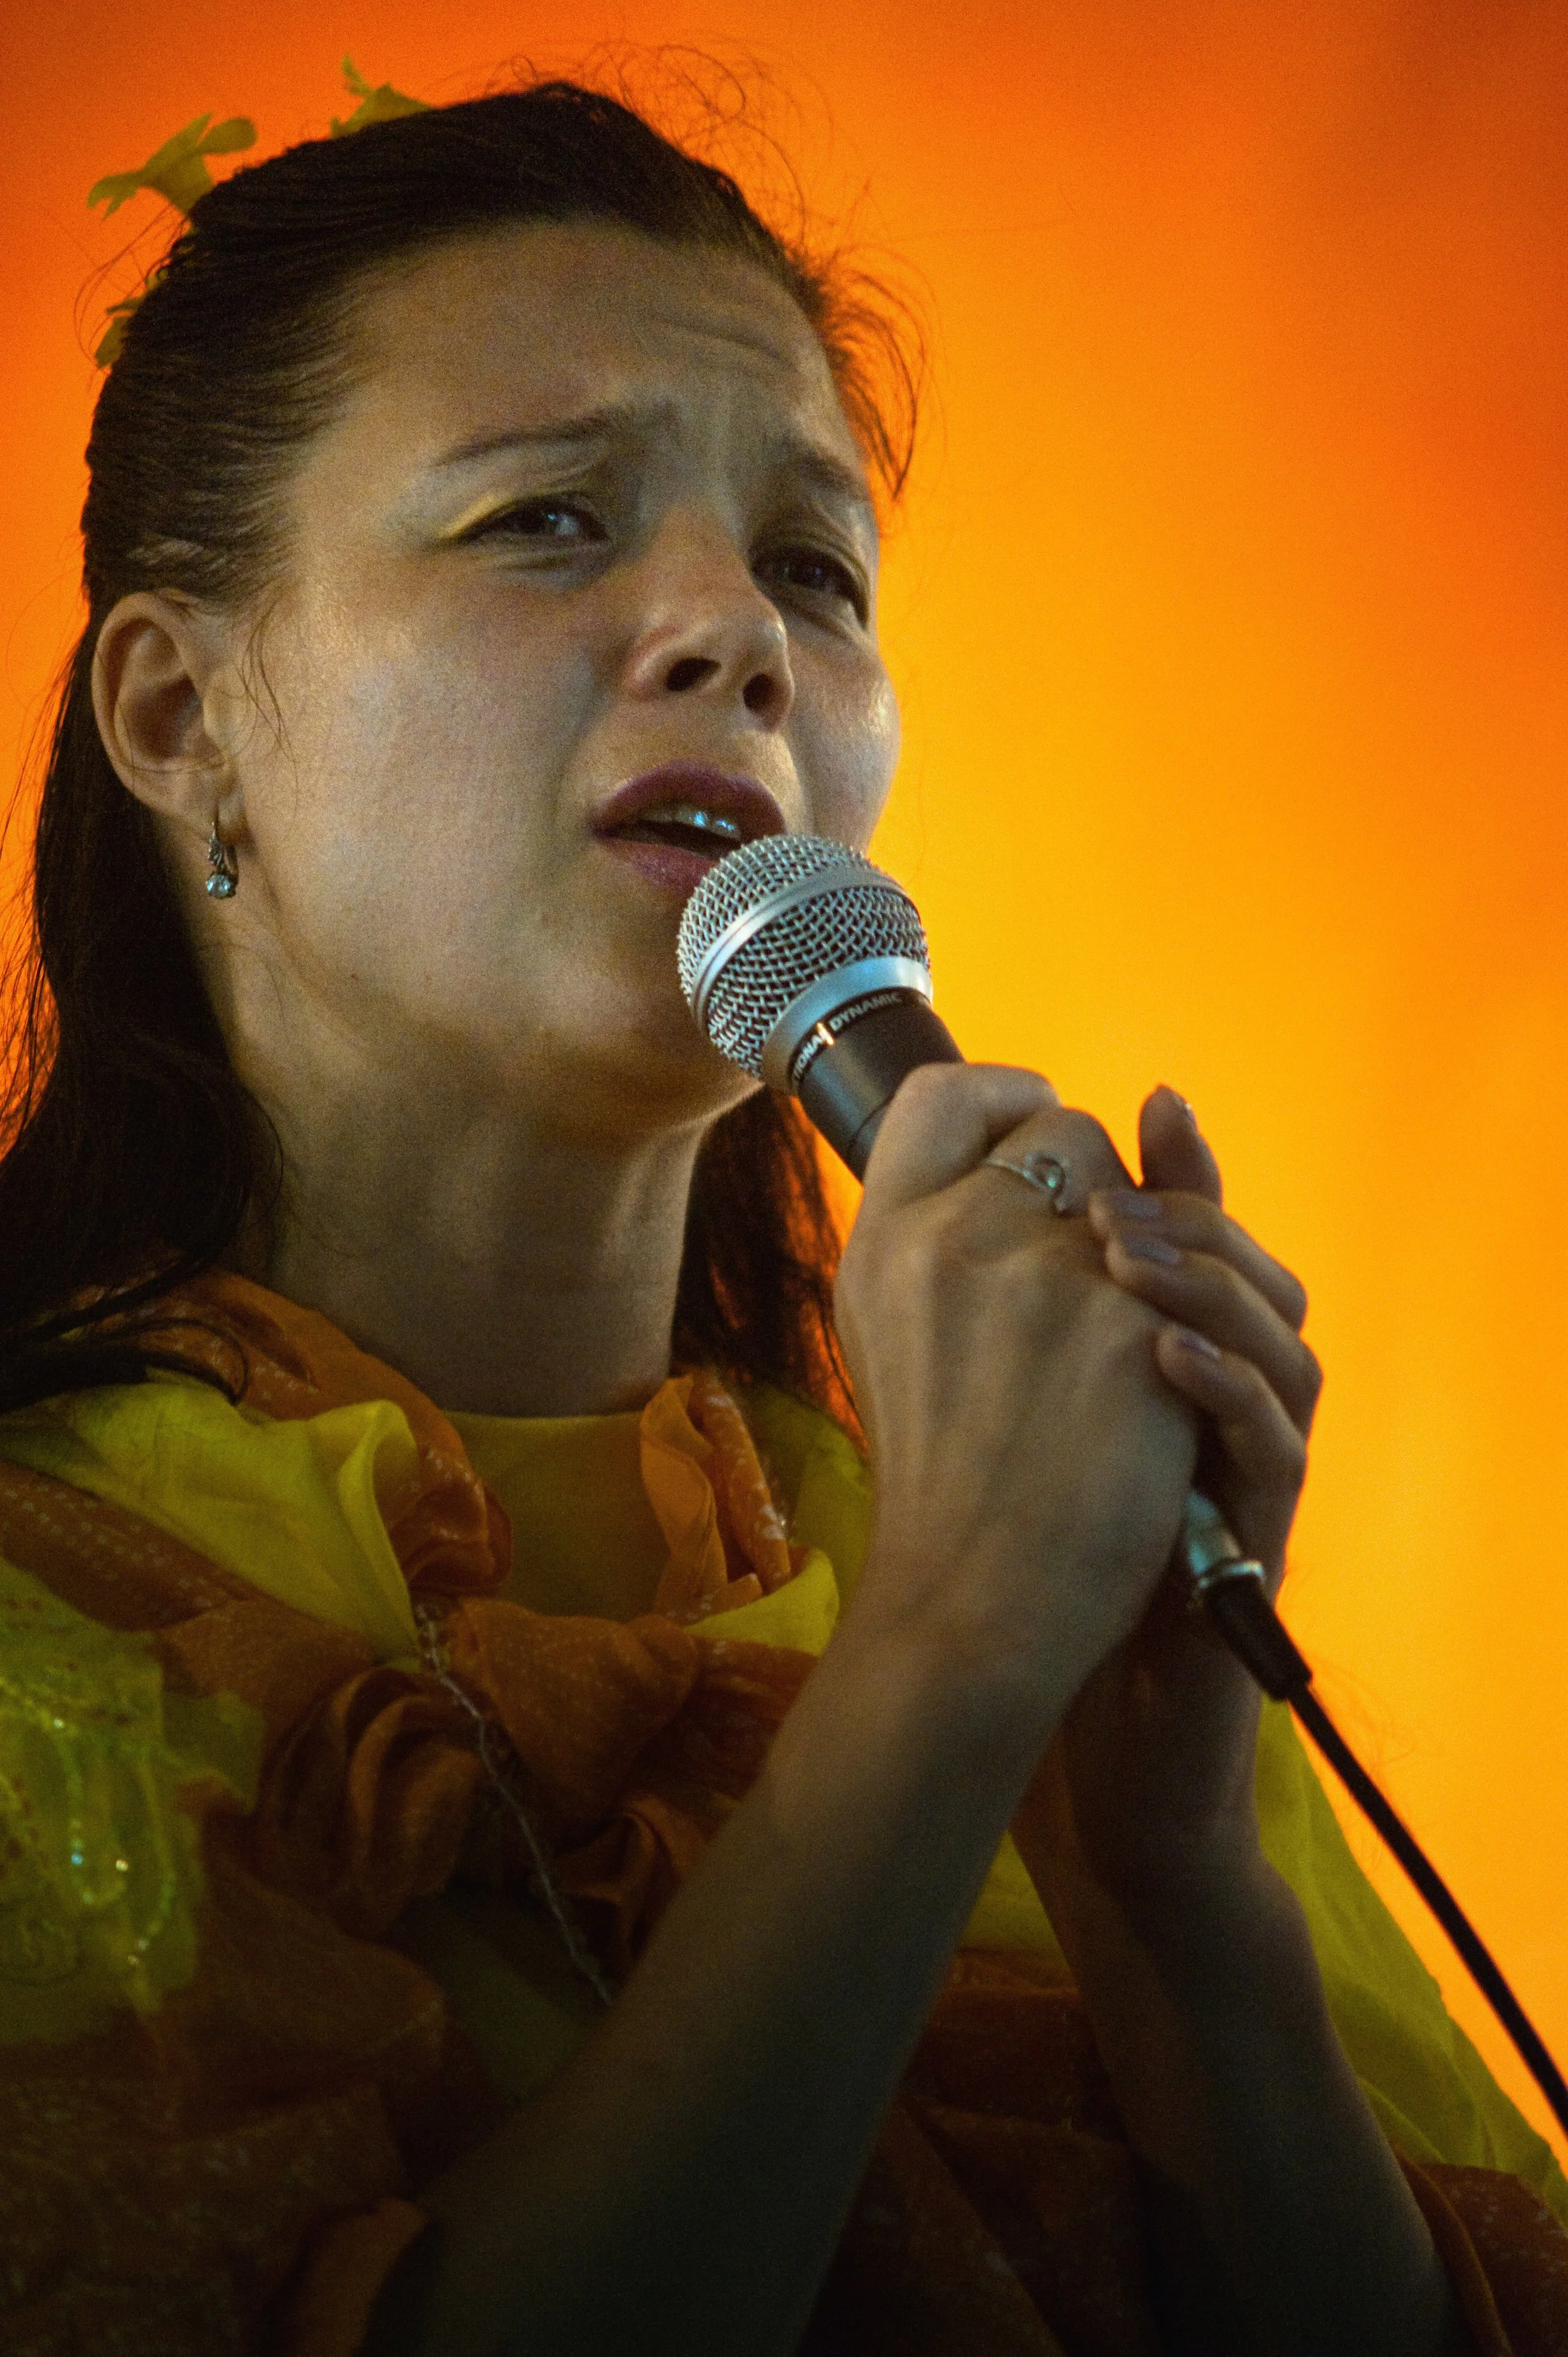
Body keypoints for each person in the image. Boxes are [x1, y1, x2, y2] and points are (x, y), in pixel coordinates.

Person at [0, 75, 1563, 2357]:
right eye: (546, 521)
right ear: (178, 709)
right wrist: (930, 1674)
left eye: (810, 573)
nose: (732, 635)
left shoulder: (969, 1531)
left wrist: (1170, 1890)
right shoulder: (54, 1599)